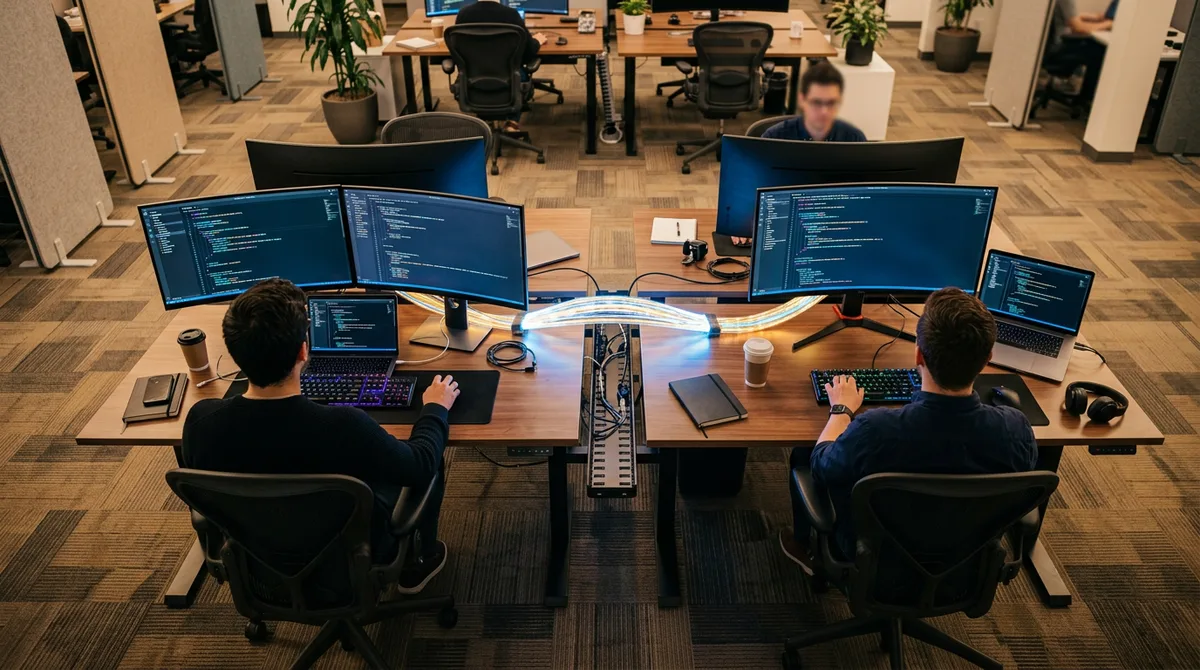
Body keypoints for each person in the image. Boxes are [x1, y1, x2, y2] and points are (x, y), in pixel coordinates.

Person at [181, 279, 461, 595]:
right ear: (304, 350)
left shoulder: (201, 422)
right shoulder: (344, 426)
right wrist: (435, 408)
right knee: (429, 454)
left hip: (259, 560)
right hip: (351, 559)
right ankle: (417, 564)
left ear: (235, 353)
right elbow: (419, 464)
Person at [779, 288, 1039, 571]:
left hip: (877, 561)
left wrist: (841, 410)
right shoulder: (1017, 431)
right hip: (968, 561)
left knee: (804, 453)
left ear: (918, 354)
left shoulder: (875, 431)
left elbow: (821, 466)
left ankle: (807, 549)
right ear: (987, 358)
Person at [732, 62, 866, 247]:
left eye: (831, 103)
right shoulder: (775, 137)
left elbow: (865, 197)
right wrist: (742, 223)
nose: (824, 112)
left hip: (836, 227)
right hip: (783, 226)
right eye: (817, 102)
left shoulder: (854, 139)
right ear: (802, 99)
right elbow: (751, 187)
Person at [455, 0, 548, 132]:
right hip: (508, 81)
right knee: (518, 72)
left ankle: (484, 122)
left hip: (473, 81)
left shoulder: (463, 14)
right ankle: (512, 122)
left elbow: (458, 51)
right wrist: (536, 41)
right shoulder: (511, 15)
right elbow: (528, 53)